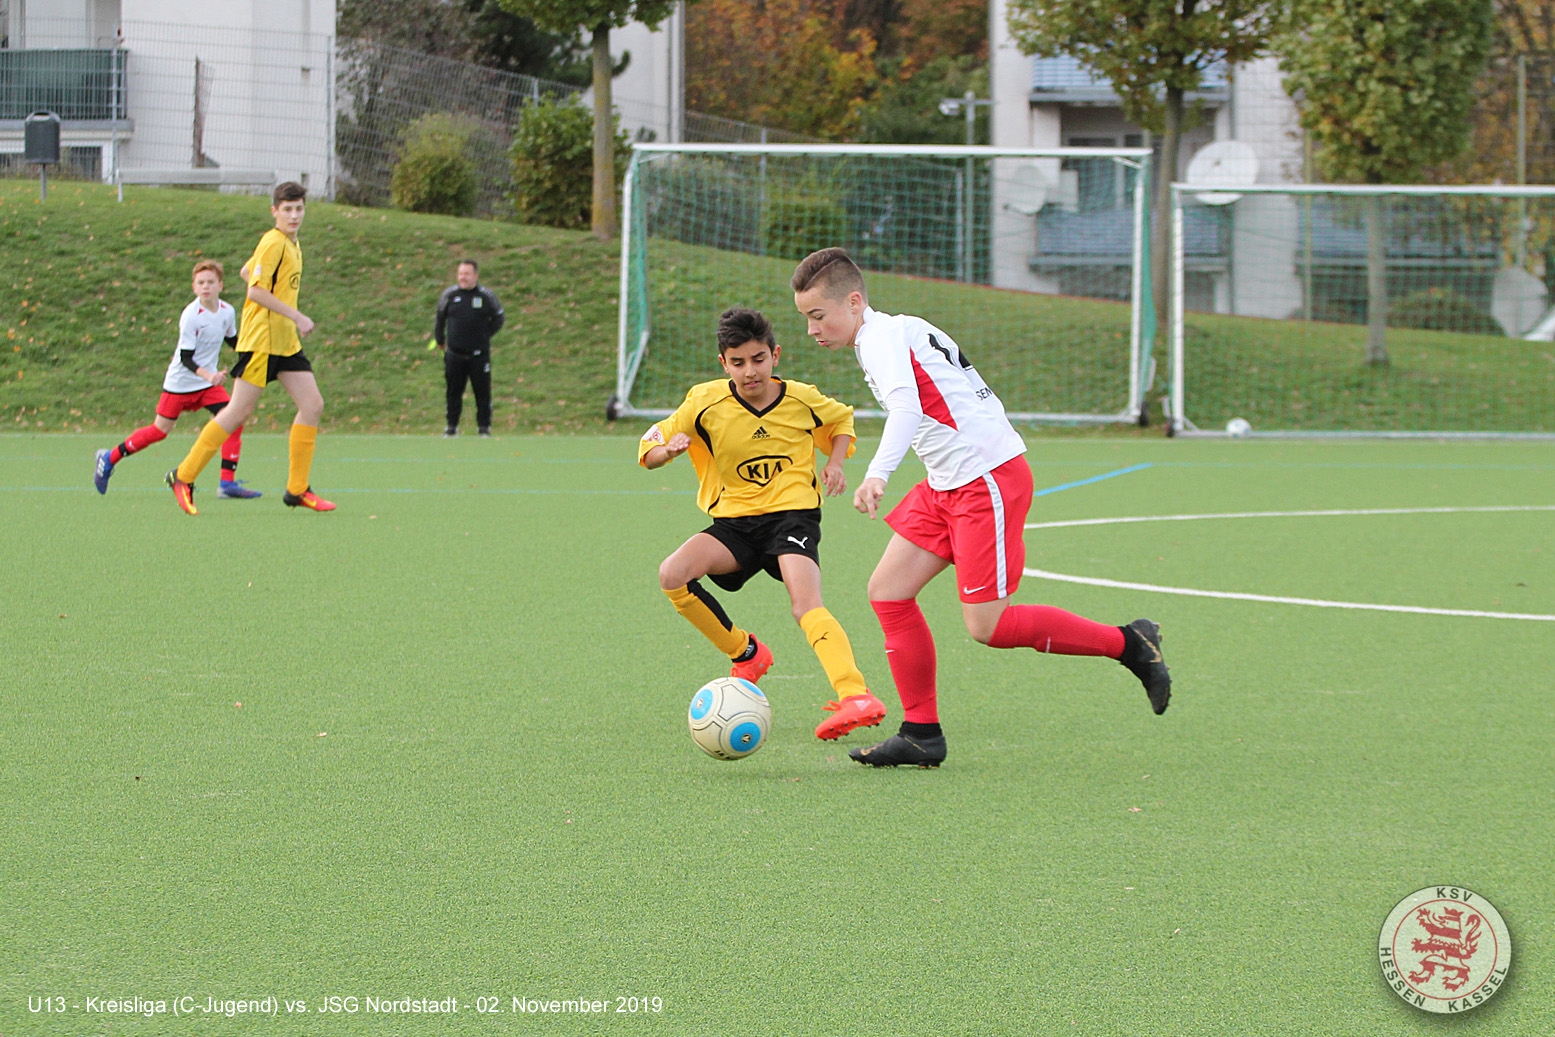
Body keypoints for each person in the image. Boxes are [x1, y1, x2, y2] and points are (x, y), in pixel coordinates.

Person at [791, 247, 1171, 768]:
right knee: (889, 591)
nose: (812, 329)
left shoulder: (880, 339)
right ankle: (921, 733)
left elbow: (906, 407)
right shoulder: (894, 330)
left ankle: (1129, 643)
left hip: (982, 479)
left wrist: (877, 473)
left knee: (988, 626)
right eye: (806, 318)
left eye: (818, 315)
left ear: (854, 301)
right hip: (950, 481)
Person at [639, 306, 887, 742]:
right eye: (738, 362)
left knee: (805, 602)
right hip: (734, 525)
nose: (750, 371)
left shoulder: (802, 399)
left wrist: (834, 462)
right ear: (724, 363)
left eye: (758, 359)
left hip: (792, 517)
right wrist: (670, 452)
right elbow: (650, 448)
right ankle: (746, 653)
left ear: (776, 355)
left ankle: (856, 695)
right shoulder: (703, 402)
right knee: (672, 574)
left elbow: (841, 420)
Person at [165, 181, 334, 515]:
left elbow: (248, 272)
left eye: (299, 209)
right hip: (261, 342)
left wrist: (284, 311)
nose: (294, 215)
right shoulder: (273, 241)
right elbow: (255, 290)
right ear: (274, 211)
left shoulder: (291, 244)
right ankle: (183, 476)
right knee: (237, 412)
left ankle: (297, 489)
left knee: (312, 405)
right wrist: (296, 314)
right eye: (287, 209)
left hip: (285, 342)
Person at [93, 260, 261, 500]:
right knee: (160, 431)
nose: (205, 287)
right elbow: (186, 358)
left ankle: (227, 483)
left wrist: (255, 355)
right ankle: (109, 458)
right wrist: (210, 375)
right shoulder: (191, 315)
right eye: (200, 283)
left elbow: (234, 341)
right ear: (194, 287)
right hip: (180, 385)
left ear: (220, 285)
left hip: (207, 386)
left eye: (210, 282)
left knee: (233, 418)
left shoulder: (227, 311)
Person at [434, 259, 505, 437]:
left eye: (466, 274)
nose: (462, 277)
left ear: (475, 275)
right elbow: (440, 317)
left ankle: (484, 427)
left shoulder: (486, 296)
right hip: (455, 354)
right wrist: (440, 339)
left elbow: (499, 318)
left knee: (482, 392)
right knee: (453, 392)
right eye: (460, 274)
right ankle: (451, 427)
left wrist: (484, 335)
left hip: (478, 355)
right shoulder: (449, 295)